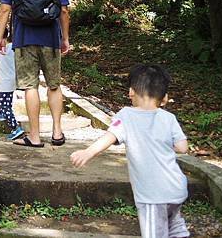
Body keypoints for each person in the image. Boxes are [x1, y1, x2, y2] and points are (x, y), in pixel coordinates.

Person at [70, 64, 190, 238]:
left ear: (131, 92)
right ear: (164, 98)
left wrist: (87, 153)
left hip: (152, 194)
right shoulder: (168, 118)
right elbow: (182, 147)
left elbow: (109, 137)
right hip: (176, 188)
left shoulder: (126, 116)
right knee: (174, 224)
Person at [0, 0, 70, 148]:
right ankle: (57, 133)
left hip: (24, 39)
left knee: (30, 87)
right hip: (51, 40)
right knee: (54, 86)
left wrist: (0, 36)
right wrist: (65, 38)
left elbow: (4, 10)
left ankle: (35, 136)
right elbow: (63, 11)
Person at [0, 23, 25, 141]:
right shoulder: (13, 47)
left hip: (5, 81)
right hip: (13, 80)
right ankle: (0, 113)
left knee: (6, 105)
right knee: (1, 93)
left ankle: (15, 127)